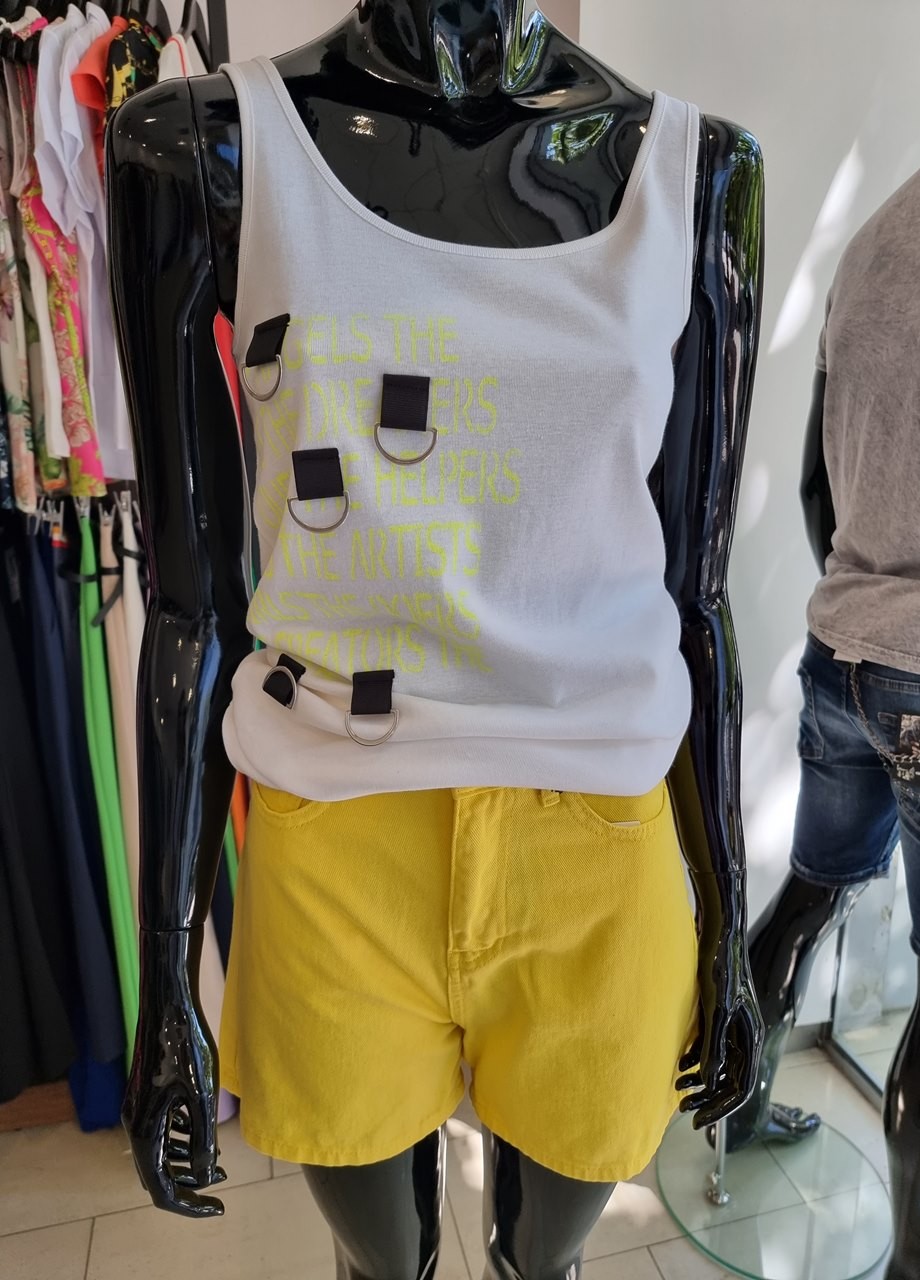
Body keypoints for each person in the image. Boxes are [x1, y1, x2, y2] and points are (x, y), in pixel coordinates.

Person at [107, 2, 764, 1275]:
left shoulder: (698, 172)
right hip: (336, 840)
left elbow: (697, 594)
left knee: (539, 1264)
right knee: (382, 1266)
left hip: (597, 846)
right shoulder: (199, 147)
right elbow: (191, 602)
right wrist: (165, 973)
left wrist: (727, 919)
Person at [722, 172, 920, 1280]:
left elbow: (813, 485)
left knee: (810, 892)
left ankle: (735, 1114)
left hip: (841, 650)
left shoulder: (878, 235)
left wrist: (860, 628)